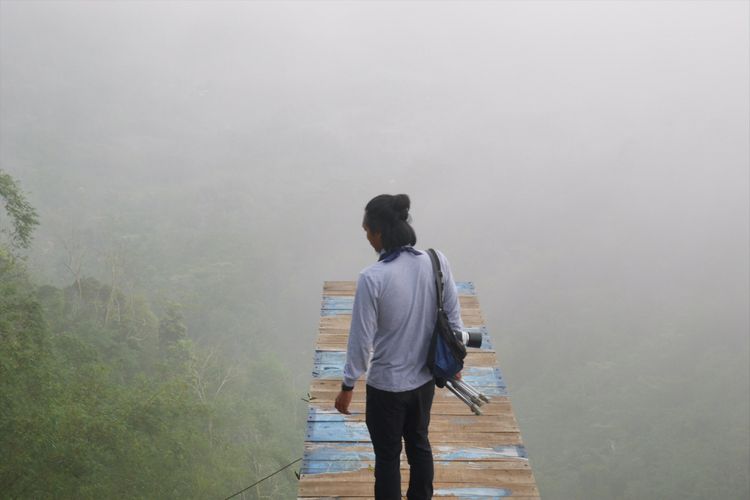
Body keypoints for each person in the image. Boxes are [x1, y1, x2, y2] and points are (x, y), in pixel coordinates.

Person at [334, 193, 463, 500]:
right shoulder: (436, 261)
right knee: (419, 445)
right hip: (423, 381)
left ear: (380, 232)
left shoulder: (372, 278)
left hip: (386, 389)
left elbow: (361, 340)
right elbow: (454, 317)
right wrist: (456, 362)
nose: (367, 238)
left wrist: (347, 385)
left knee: (388, 459)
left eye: (367, 231)